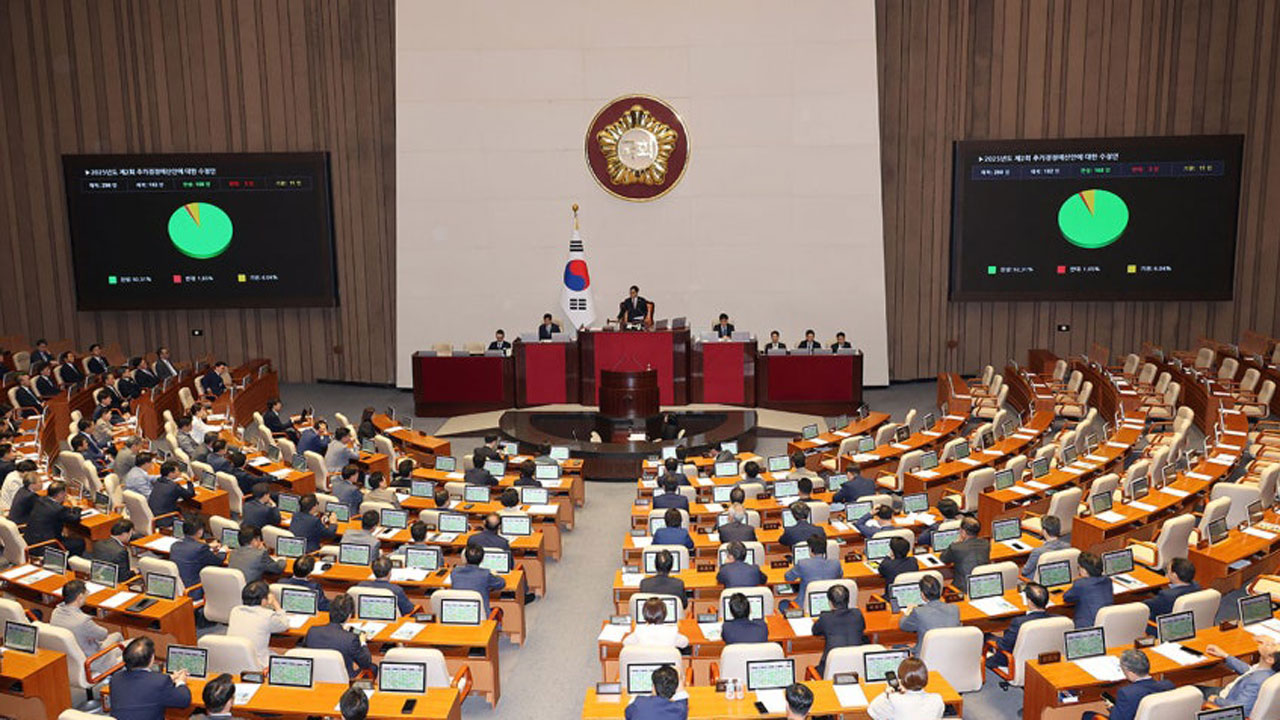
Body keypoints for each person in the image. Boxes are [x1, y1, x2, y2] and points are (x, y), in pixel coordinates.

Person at [109, 637, 192, 720]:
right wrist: (181, 681)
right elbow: (184, 700)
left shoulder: (116, 678)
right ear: (152, 658)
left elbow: (141, 689)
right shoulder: (160, 682)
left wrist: (169, 678)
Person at [1081, 649, 1175, 720]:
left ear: (1130, 672)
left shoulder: (1126, 693)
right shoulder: (1168, 685)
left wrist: (1113, 708)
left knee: (1087, 715)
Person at [1202, 635, 1280, 716]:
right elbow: (1249, 671)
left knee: (1194, 692)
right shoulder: (1267, 670)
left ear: (1270, 659)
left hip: (1225, 699)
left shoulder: (1256, 682)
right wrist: (1225, 655)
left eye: (1272, 645)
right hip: (1233, 692)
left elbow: (1241, 708)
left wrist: (1216, 700)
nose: (1268, 642)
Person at [302, 593, 375, 678]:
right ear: (349, 616)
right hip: (343, 679)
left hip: (315, 676)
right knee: (373, 668)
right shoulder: (351, 639)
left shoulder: (312, 631)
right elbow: (365, 663)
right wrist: (363, 642)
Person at [52, 579, 124, 658]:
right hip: (93, 659)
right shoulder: (82, 621)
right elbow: (103, 635)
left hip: (70, 658)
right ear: (80, 597)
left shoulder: (55, 612)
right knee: (121, 637)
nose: (88, 594)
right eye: (86, 592)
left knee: (116, 636)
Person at [987, 582, 1052, 669]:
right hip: (1042, 659)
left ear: (1028, 601)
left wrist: (994, 641)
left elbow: (1003, 646)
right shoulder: (1060, 619)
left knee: (987, 637)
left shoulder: (1019, 622)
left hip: (1013, 662)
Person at [226, 580, 288, 667]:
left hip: (233, 660)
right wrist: (275, 603)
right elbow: (284, 624)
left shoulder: (235, 610)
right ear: (263, 600)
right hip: (258, 664)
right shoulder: (267, 615)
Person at [865, 657, 945, 720]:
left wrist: (886, 693)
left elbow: (872, 711)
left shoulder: (894, 700)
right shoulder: (937, 699)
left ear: (900, 680)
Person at [811, 584, 866, 674]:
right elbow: (863, 628)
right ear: (848, 600)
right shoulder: (858, 614)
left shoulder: (825, 617)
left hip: (830, 668)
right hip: (857, 666)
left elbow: (815, 631)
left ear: (830, 602)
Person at [898, 575, 959, 655]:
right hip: (950, 654)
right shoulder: (954, 609)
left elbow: (903, 625)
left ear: (922, 595)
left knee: (896, 646)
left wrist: (908, 612)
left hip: (925, 657)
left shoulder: (918, 612)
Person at [170, 514, 226, 597]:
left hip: (178, 588)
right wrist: (223, 550)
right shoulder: (200, 548)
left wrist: (208, 546)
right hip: (194, 590)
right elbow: (218, 561)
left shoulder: (175, 546)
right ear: (200, 532)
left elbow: (192, 547)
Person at [26, 480, 85, 556]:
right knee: (80, 543)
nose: (66, 495)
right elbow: (75, 519)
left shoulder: (41, 500)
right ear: (60, 494)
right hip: (45, 546)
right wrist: (75, 505)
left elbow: (59, 510)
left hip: (31, 541)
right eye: (65, 493)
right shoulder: (58, 509)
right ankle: (68, 565)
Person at [1143, 557, 1200, 631]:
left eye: (1168, 570)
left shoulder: (1167, 596)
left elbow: (1145, 605)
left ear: (1175, 575)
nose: (1166, 571)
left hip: (1162, 628)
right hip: (1187, 626)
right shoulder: (1197, 587)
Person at [938, 517, 989, 593]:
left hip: (962, 588)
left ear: (963, 532)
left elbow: (943, 558)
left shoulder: (956, 547)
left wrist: (957, 542)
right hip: (981, 585)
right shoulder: (986, 544)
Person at [784, 534, 841, 603]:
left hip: (805, 603)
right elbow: (840, 576)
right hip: (830, 603)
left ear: (810, 550)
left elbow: (788, 577)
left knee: (783, 603)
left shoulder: (803, 564)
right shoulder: (836, 563)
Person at [450, 544, 505, 614]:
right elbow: (501, 583)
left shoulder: (454, 572)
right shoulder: (485, 574)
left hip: (459, 613)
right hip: (481, 616)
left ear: (465, 558)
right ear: (482, 559)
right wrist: (495, 575)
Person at [1063, 551, 1112, 628]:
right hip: (1106, 624)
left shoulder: (1081, 584)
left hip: (1086, 626)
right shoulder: (1107, 580)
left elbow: (1066, 598)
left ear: (1084, 570)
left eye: (1079, 568)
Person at [623, 597, 688, 648]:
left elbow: (626, 642)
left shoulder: (639, 630)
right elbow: (685, 643)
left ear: (644, 615)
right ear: (665, 614)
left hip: (646, 664)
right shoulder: (672, 630)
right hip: (666, 664)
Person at [148, 461, 194, 527]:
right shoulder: (173, 486)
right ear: (170, 474)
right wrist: (189, 480)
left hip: (154, 515)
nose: (179, 472)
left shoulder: (158, 481)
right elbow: (190, 494)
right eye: (177, 471)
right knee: (192, 518)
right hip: (165, 519)